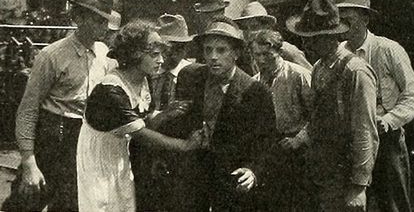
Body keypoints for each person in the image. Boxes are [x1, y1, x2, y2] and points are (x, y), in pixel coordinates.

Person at [76, 19, 205, 212]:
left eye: (161, 54)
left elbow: (144, 119)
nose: (161, 60)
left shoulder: (143, 81)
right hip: (99, 159)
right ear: (135, 54)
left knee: (124, 204)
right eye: (154, 55)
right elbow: (141, 133)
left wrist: (165, 114)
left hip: (119, 155)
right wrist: (185, 146)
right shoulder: (111, 90)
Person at [10, 0, 118, 211]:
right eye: (97, 20)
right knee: (25, 202)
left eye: (106, 21)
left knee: (70, 206)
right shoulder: (51, 56)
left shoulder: (104, 54)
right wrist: (29, 161)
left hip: (83, 142)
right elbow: (28, 110)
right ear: (78, 17)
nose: (104, 27)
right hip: (51, 138)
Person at [286, 0, 379, 211]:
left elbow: (365, 131)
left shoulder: (356, 72)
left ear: (331, 37)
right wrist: (301, 139)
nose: (305, 44)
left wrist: (359, 187)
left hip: (344, 174)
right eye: (304, 37)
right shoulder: (319, 67)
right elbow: (318, 117)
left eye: (313, 38)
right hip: (320, 169)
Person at [175, 16, 276, 211]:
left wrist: (253, 170)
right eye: (208, 50)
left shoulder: (255, 91)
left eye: (221, 50)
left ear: (236, 53)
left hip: (231, 177)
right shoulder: (190, 76)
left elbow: (267, 141)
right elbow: (180, 123)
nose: (213, 56)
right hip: (194, 174)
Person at [337, 0, 414, 212]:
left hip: (386, 139)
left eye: (349, 20)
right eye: (340, 20)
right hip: (354, 138)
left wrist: (389, 119)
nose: (343, 26)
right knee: (354, 202)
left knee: (392, 204)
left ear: (365, 19)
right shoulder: (339, 54)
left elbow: (413, 94)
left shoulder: (388, 50)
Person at [133, 14, 194, 211]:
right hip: (150, 151)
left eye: (174, 50)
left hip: (182, 158)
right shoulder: (149, 74)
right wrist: (163, 115)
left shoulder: (194, 75)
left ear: (185, 48)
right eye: (160, 50)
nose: (166, 56)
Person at [250, 29, 315, 211]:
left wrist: (299, 139)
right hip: (271, 149)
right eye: (257, 55)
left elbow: (318, 115)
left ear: (279, 52)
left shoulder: (298, 75)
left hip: (299, 150)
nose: (261, 60)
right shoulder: (254, 83)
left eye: (267, 55)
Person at [234, 1, 312, 75]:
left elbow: (310, 75)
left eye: (254, 27)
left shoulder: (286, 50)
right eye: (245, 28)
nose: (249, 33)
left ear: (266, 27)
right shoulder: (245, 56)